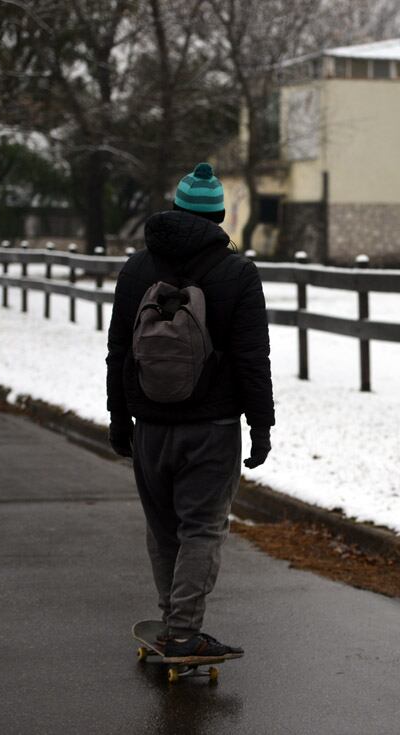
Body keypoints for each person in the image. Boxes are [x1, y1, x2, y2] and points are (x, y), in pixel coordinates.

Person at [105, 162, 274, 658]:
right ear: (219, 215)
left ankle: (171, 622)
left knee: (164, 531)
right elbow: (251, 357)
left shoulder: (137, 268)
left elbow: (119, 350)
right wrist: (260, 425)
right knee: (201, 529)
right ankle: (183, 631)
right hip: (212, 428)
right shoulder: (237, 273)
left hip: (150, 425)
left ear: (175, 209)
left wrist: (119, 416)